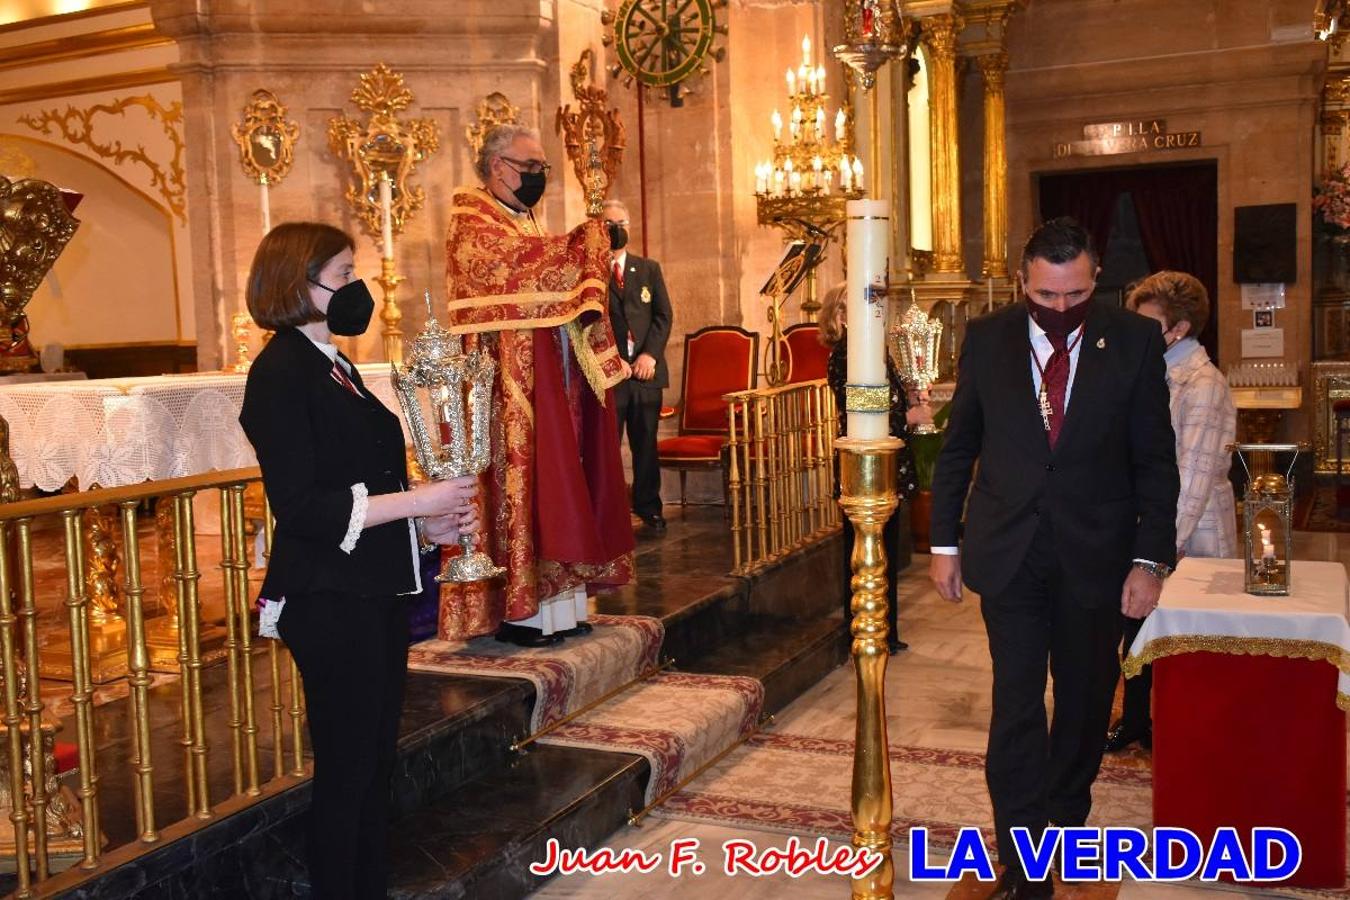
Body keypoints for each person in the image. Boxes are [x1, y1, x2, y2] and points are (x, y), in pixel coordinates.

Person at [929, 217, 1178, 900]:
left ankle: (1065, 828)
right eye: (1046, 295)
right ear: (1022, 281)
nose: (1061, 310)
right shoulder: (987, 340)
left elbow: (1156, 461)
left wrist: (1149, 561)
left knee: (1084, 702)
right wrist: (944, 542)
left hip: (1097, 555)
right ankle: (1019, 859)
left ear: (1096, 279)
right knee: (1015, 705)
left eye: (1074, 295)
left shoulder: (1131, 341)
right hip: (1009, 551)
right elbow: (958, 450)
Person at [238, 222, 479, 899]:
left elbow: (369, 483)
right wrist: (415, 502)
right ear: (297, 283)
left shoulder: (332, 366)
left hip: (367, 590)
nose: (356, 289)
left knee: (372, 766)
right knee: (347, 774)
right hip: (326, 598)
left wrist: (426, 522)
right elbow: (305, 508)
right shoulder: (281, 372)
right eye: (342, 275)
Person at [441, 124, 635, 647]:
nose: (538, 178)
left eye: (542, 169)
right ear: (498, 166)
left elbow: (551, 276)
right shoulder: (471, 221)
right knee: (526, 490)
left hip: (550, 378)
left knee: (560, 484)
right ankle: (521, 612)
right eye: (531, 168)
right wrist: (587, 241)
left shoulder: (520, 219)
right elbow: (529, 270)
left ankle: (563, 604)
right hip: (506, 393)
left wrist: (583, 246)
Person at [1104, 271, 1237, 753]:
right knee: (1139, 629)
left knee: (1181, 635)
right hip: (1150, 525)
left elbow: (1194, 473)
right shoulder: (1157, 372)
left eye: (1146, 325)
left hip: (1190, 532)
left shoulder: (1202, 383)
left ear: (1177, 329)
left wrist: (1158, 552)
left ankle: (1185, 729)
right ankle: (1138, 718)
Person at [820, 283, 931, 654]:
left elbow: (887, 393)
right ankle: (863, 629)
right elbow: (858, 402)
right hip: (862, 462)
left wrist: (909, 396)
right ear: (840, 315)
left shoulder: (874, 348)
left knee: (886, 552)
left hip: (889, 457)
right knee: (862, 548)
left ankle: (886, 627)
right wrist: (907, 412)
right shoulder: (843, 354)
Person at [601, 198, 674, 534]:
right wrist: (612, 360)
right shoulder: (592, 273)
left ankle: (649, 508)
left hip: (645, 372)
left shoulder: (648, 269)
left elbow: (663, 316)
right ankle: (611, 513)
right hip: (610, 375)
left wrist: (649, 355)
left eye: (621, 223)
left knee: (645, 444)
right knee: (609, 447)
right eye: (608, 224)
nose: (616, 229)